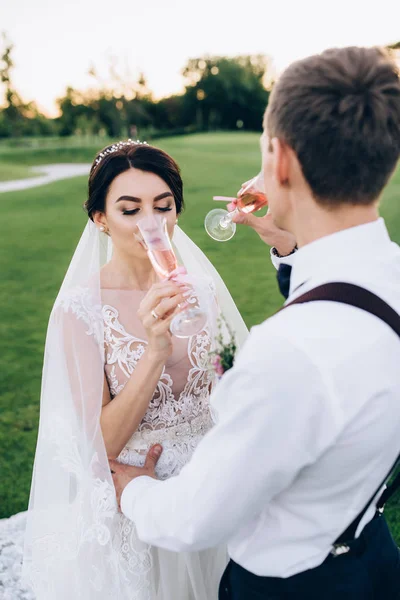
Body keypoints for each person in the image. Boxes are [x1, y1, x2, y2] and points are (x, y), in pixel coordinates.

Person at [111, 46, 400, 599]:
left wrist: (136, 492)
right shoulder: (388, 279)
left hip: (294, 586)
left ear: (282, 160)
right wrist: (286, 244)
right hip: (376, 558)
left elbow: (197, 517)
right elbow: (345, 302)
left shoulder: (289, 353)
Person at [22, 141, 248, 599]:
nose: (152, 222)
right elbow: (100, 443)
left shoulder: (200, 288)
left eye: (163, 206)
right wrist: (154, 351)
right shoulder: (81, 309)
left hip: (215, 490)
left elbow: (234, 386)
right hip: (138, 500)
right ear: (100, 219)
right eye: (131, 210)